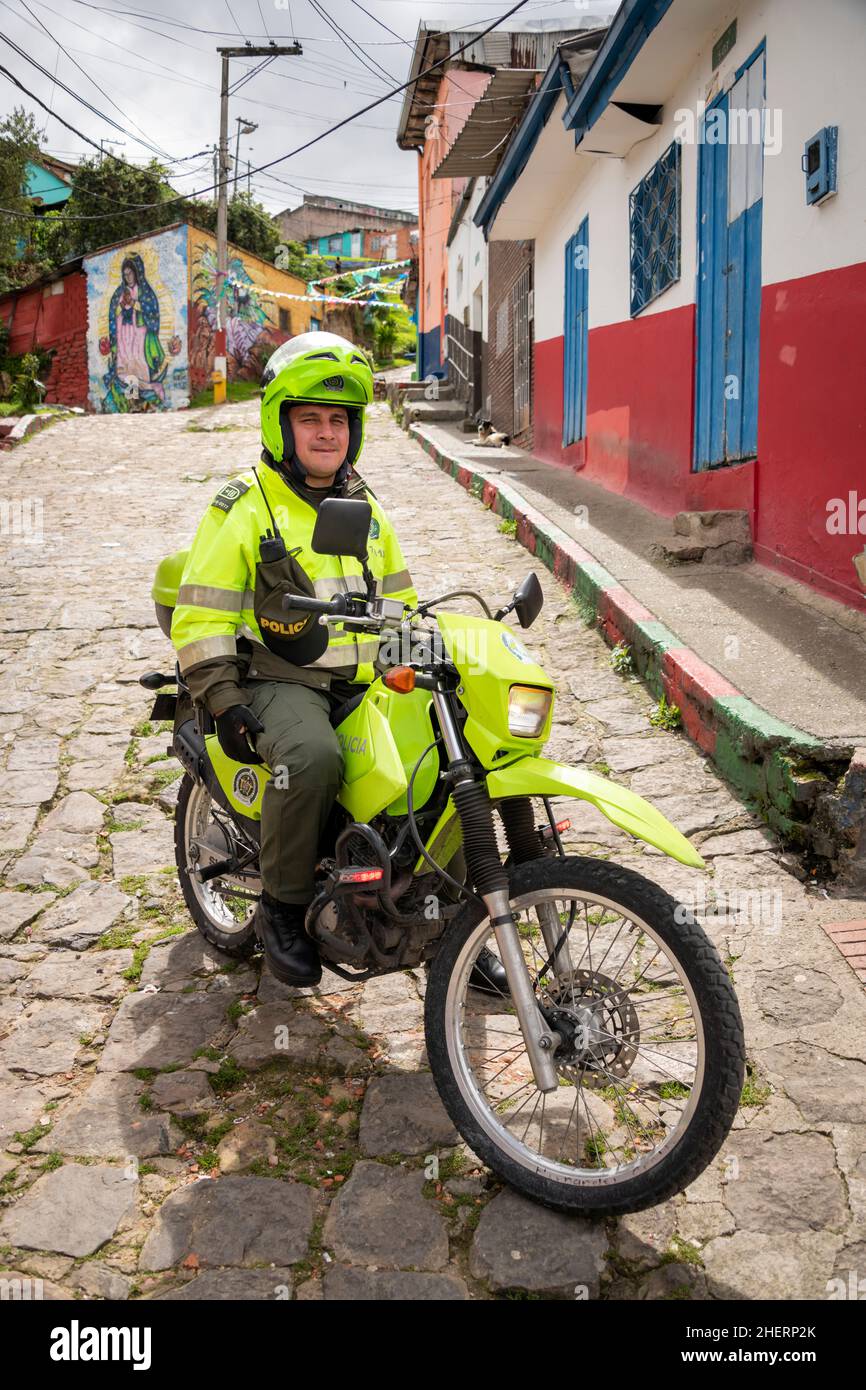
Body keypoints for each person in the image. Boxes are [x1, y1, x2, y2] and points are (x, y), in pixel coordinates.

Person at [171, 332, 417, 985]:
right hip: (279, 676)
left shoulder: (367, 508)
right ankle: (284, 907)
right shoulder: (244, 504)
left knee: (435, 759)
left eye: (339, 420)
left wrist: (422, 661)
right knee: (312, 759)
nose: (326, 432)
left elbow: (400, 604)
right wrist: (221, 698)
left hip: (361, 678)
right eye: (310, 418)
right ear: (281, 424)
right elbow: (202, 613)